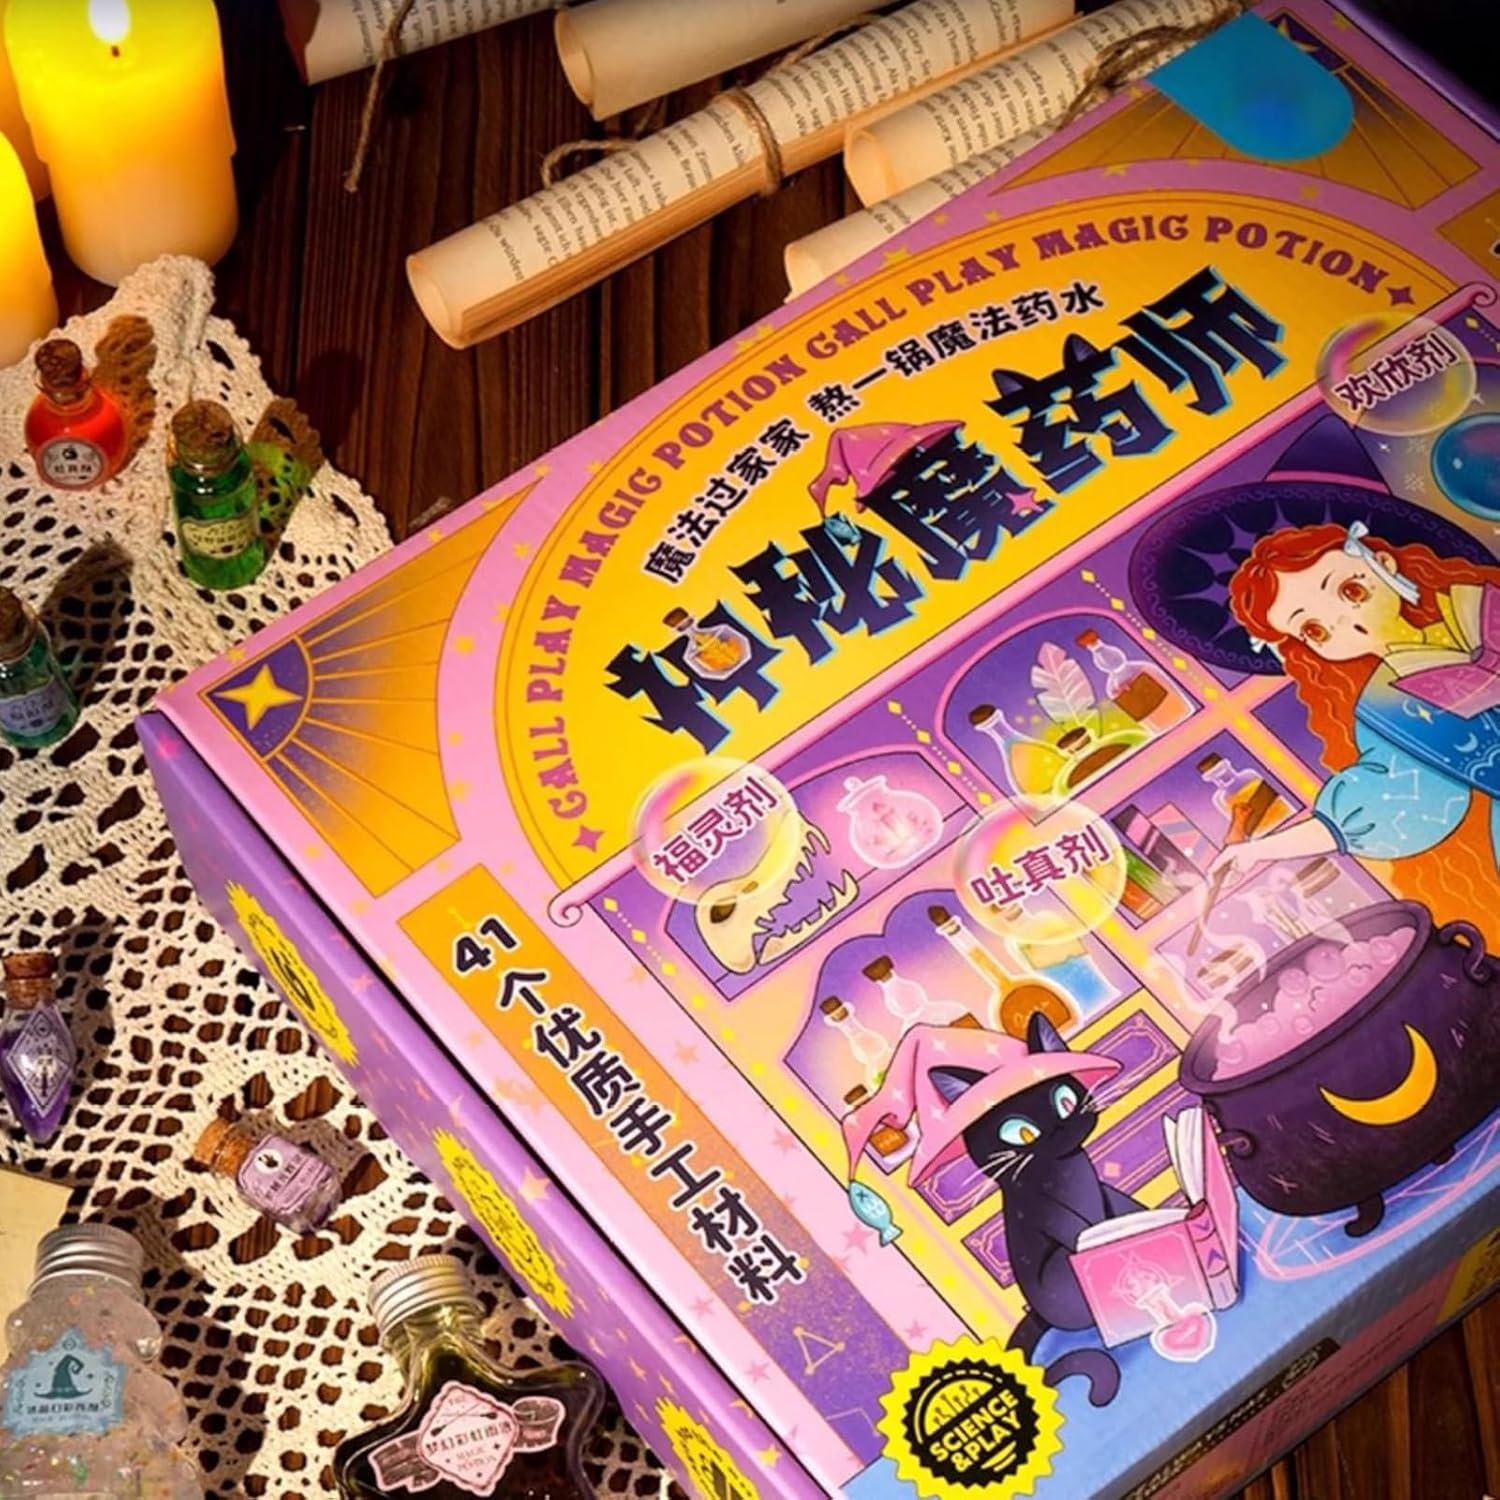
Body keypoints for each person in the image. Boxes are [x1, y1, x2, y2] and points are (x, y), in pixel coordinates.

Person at [1207, 519, 1500, 911]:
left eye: (1350, 590)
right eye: (1314, 629)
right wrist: (1259, 849)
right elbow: (1391, 800)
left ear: (1382, 563)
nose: (1341, 621)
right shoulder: (1387, 710)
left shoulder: (1481, 605)